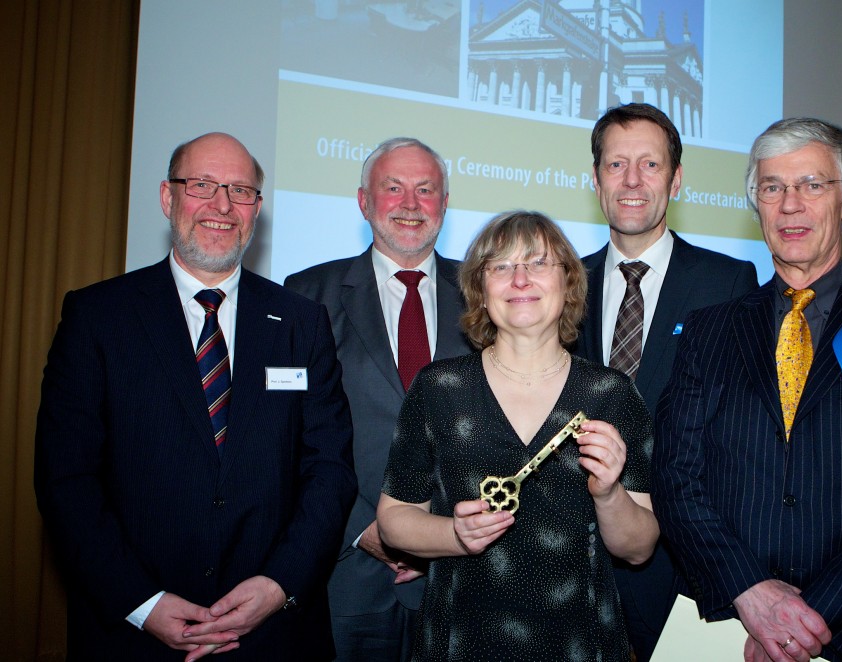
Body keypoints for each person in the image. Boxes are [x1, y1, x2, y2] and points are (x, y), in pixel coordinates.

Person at [34, 132, 357, 661]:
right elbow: (66, 478)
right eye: (202, 185)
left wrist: (279, 584)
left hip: (273, 635)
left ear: (256, 209)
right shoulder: (97, 317)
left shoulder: (301, 322)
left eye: (240, 190)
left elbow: (330, 470)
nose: (222, 206)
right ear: (168, 197)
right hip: (134, 636)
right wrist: (141, 602)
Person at [653, 117, 842, 662]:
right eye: (772, 188)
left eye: (812, 185)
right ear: (758, 207)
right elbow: (676, 477)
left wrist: (800, 624)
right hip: (727, 623)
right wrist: (751, 595)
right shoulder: (708, 331)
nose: (790, 204)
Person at [376, 210, 660, 660]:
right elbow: (394, 519)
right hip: (461, 637)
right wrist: (455, 534)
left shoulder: (611, 394)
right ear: (480, 290)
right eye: (501, 266)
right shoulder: (438, 388)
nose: (520, 279)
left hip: (579, 641)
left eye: (538, 263)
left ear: (568, 283)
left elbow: (639, 549)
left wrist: (609, 494)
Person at [574, 102, 759, 659]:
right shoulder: (562, 283)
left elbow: (743, 436)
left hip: (681, 568)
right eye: (616, 165)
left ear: (676, 181)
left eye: (650, 165)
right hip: (573, 567)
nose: (632, 180)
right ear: (596, 180)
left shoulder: (728, 283)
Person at [285, 137, 473, 660]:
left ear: (445, 203)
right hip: (350, 572)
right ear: (364, 201)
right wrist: (364, 530)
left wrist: (438, 534)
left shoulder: (485, 295)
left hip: (461, 576)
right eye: (393, 188)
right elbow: (287, 434)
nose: (411, 204)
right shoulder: (306, 296)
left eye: (426, 190)